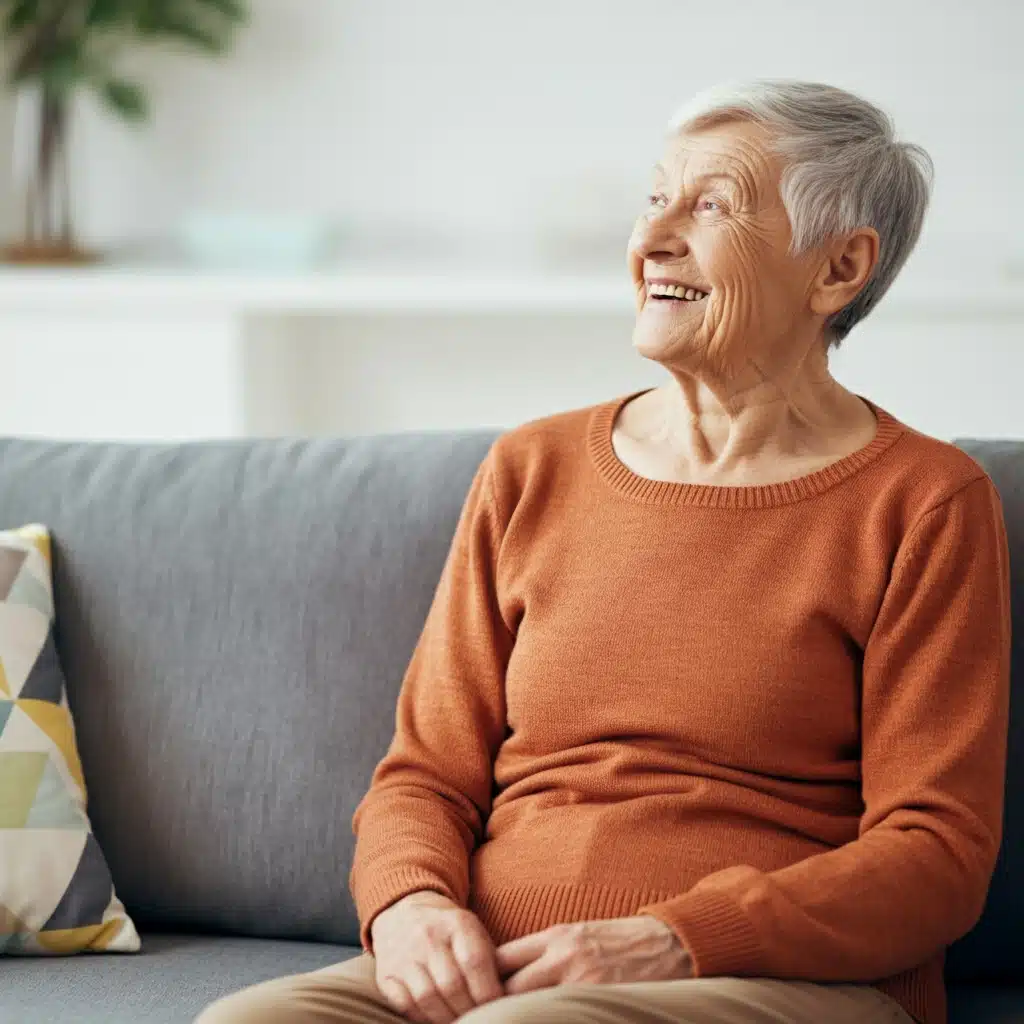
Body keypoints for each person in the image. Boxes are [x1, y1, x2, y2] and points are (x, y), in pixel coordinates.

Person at [197, 79, 1010, 1024]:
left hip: (777, 980)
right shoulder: (532, 467)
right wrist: (411, 906)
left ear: (837, 270)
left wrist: (678, 937)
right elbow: (425, 775)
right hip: (497, 966)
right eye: (653, 197)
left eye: (710, 206)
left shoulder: (924, 502)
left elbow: (936, 855)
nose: (652, 238)